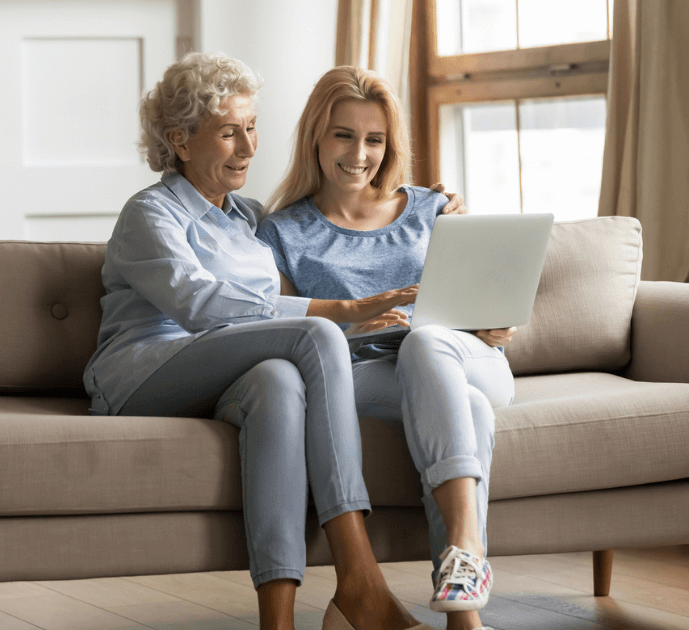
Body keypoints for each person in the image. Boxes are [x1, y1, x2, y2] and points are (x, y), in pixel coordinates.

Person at [83, 53, 453, 630]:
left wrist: (428, 207)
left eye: (252, 128)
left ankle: (276, 621)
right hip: (144, 371)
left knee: (279, 382)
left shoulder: (248, 218)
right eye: (229, 133)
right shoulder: (149, 214)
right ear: (180, 141)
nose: (248, 148)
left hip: (223, 368)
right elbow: (198, 305)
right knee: (316, 333)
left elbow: (323, 242)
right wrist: (341, 312)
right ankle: (359, 577)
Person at [257, 66, 517, 630]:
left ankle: (465, 548)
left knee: (427, 343)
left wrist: (491, 322)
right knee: (470, 411)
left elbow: (476, 299)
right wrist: (355, 323)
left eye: (374, 139)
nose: (360, 155)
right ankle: (465, 610)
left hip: (468, 360)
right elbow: (279, 329)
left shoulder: (433, 209)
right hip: (363, 375)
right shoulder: (281, 233)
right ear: (316, 137)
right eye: (344, 136)